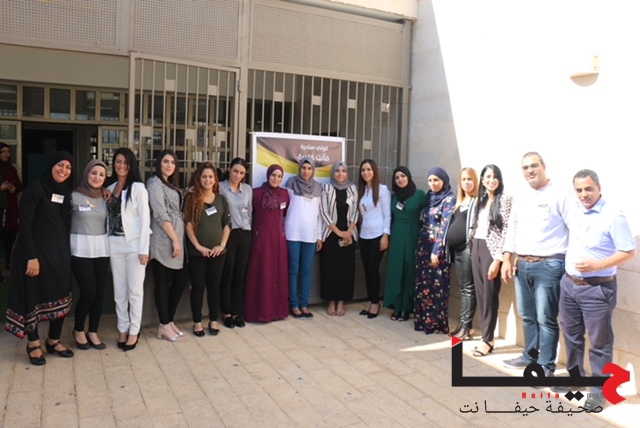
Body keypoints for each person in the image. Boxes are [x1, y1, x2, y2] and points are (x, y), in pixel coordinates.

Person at [551, 169, 635, 411]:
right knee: (572, 336)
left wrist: (597, 265)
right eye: (579, 190)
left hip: (597, 289)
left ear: (599, 188)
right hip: (570, 285)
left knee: (600, 342)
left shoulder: (613, 216)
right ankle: (575, 378)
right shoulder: (576, 211)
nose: (584, 194)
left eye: (588, 189)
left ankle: (599, 391)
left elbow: (629, 251)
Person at [501, 152, 572, 377]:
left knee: (546, 318)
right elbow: (512, 228)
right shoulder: (521, 196)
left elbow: (575, 229)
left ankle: (546, 366)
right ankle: (529, 355)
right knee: (528, 315)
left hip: (549, 266)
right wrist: (507, 258)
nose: (530, 171)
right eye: (525, 168)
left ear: (544, 166)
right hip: (522, 265)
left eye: (534, 166)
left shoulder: (560, 195)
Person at [5, 151, 74, 365]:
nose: (63, 170)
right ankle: (33, 343)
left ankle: (53, 340)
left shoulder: (67, 191)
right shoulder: (35, 189)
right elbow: (25, 225)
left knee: (60, 294)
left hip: (59, 254)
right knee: (33, 296)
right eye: (60, 165)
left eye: (68, 167)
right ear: (51, 165)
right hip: (35, 254)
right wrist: (31, 257)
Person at [107, 147, 151, 351]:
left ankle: (134, 330)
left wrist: (144, 249)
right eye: (118, 161)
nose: (121, 166)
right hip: (114, 244)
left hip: (134, 245)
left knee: (135, 291)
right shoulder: (110, 187)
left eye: (125, 162)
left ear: (131, 165)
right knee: (119, 291)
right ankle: (122, 328)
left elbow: (145, 220)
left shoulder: (138, 188)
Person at [184, 162, 232, 337]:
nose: (207, 179)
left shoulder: (222, 200)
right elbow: (188, 224)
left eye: (211, 176)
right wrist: (198, 246)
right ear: (199, 178)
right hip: (197, 253)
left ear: (215, 179)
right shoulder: (192, 199)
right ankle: (197, 322)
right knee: (197, 287)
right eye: (204, 176)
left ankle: (213, 320)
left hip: (218, 253)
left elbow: (227, 224)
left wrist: (222, 245)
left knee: (214, 287)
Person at [469, 165, 512, 357]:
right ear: (482, 179)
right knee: (481, 295)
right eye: (488, 176)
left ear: (500, 180)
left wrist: (498, 259)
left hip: (491, 251)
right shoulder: (481, 199)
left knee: (489, 296)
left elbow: (506, 230)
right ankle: (485, 337)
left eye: (495, 177)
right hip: (476, 247)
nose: (491, 180)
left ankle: (487, 340)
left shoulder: (505, 200)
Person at [147, 149, 188, 342]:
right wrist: (174, 240)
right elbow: (160, 213)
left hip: (176, 237)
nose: (169, 165)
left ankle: (169, 321)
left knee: (179, 280)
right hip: (163, 239)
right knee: (163, 283)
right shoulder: (154, 183)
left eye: (172, 162)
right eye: (165, 161)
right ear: (158, 163)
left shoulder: (170, 185)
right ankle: (163, 325)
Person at [71, 159, 110, 350]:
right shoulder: (73, 196)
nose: (97, 177)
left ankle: (93, 331)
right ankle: (78, 329)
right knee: (88, 292)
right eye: (93, 173)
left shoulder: (106, 197)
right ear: (86, 173)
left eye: (101, 175)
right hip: (80, 248)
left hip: (101, 247)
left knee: (100, 293)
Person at [244, 164, 290, 323]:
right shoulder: (256, 193)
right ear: (268, 175)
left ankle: (278, 311)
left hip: (279, 242)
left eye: (279, 176)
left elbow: (285, 214)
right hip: (262, 240)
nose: (276, 179)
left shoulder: (285, 194)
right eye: (273, 175)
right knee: (263, 274)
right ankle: (261, 312)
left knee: (278, 275)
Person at [415, 167, 456, 334]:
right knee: (423, 284)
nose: (433, 184)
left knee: (437, 286)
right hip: (423, 246)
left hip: (437, 249)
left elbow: (445, 226)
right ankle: (423, 321)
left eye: (436, 180)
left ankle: (437, 324)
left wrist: (436, 250)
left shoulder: (449, 199)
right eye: (430, 180)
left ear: (443, 180)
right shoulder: (429, 196)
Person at [383, 166, 425, 322]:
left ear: (408, 176)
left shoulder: (419, 194)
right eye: (397, 177)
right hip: (397, 234)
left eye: (403, 176)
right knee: (396, 269)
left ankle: (407, 307)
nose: (400, 179)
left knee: (409, 269)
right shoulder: (394, 197)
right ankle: (396, 305)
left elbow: (429, 213)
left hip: (413, 233)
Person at [285, 158, 323, 319]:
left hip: (310, 235)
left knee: (306, 270)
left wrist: (319, 236)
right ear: (300, 169)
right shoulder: (291, 183)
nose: (306, 171)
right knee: (293, 270)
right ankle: (294, 305)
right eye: (304, 168)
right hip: (293, 233)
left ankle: (304, 304)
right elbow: (285, 208)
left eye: (309, 168)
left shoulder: (318, 187)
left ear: (313, 170)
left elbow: (320, 215)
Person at [319, 161, 358, 316]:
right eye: (337, 171)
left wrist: (348, 232)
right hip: (330, 234)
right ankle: (330, 301)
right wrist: (339, 232)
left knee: (346, 269)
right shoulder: (326, 188)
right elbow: (323, 211)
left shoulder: (352, 188)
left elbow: (356, 211)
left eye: (343, 171)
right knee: (330, 268)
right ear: (333, 173)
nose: (340, 174)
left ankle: (341, 302)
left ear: (347, 173)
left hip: (348, 234)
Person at [219, 157, 252, 329]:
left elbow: (250, 211)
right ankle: (226, 313)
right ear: (229, 169)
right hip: (228, 235)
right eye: (235, 171)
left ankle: (236, 312)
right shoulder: (220, 187)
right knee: (228, 274)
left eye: (241, 173)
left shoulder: (247, 190)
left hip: (244, 234)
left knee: (240, 275)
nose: (237, 175)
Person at [357, 159, 391, 319]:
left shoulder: (383, 190)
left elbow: (387, 214)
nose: (366, 172)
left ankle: (376, 303)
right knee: (366, 270)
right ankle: (370, 301)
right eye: (363, 170)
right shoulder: (362, 190)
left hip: (378, 235)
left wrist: (385, 235)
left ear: (375, 171)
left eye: (369, 169)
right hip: (364, 235)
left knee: (372, 269)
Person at [447, 167, 478, 339]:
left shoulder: (477, 201)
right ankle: (465, 325)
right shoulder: (460, 201)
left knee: (468, 288)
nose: (467, 182)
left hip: (467, 249)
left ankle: (465, 327)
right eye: (464, 179)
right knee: (463, 288)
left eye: (470, 179)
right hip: (456, 250)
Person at [0, 142, 22, 269]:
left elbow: (19, 185)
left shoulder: (11, 169)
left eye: (8, 152)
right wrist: (1, 188)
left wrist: (14, 188)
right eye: (3, 152)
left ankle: (10, 262)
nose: (6, 154)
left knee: (11, 235)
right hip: (1, 207)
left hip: (11, 207)